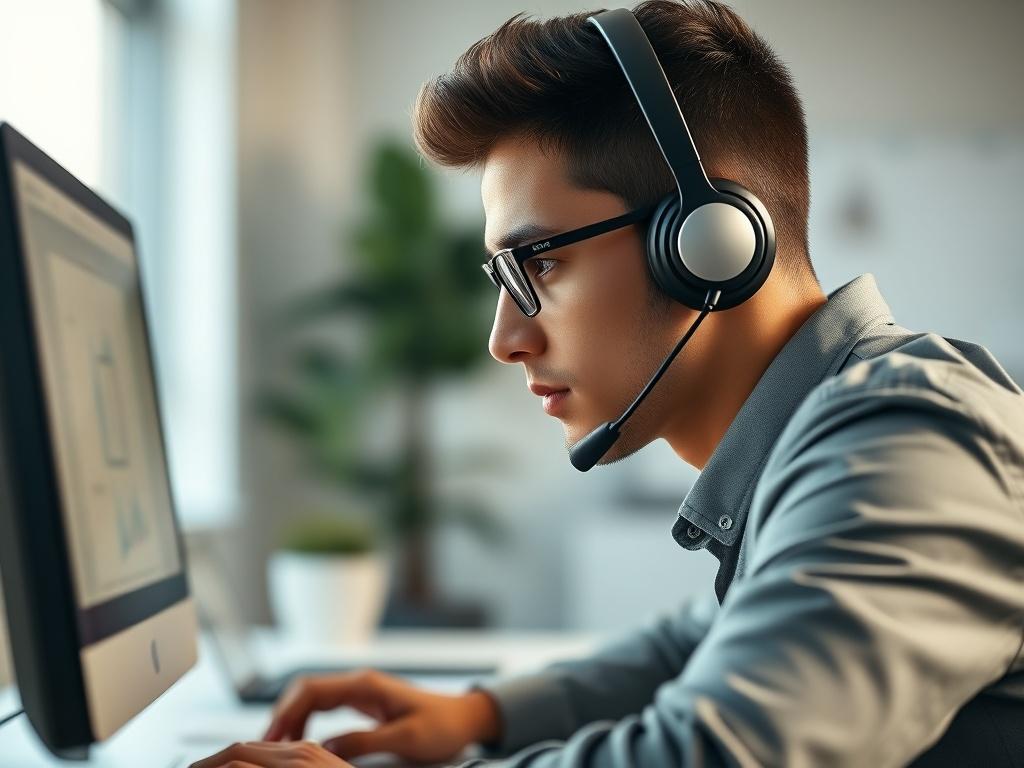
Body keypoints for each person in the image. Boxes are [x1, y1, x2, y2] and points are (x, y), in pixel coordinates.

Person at [191, 1, 1024, 766]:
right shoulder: (833, 435)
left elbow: (716, 754)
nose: (504, 340)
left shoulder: (912, 439)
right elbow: (696, 642)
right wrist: (479, 716)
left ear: (709, 244)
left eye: (540, 263)